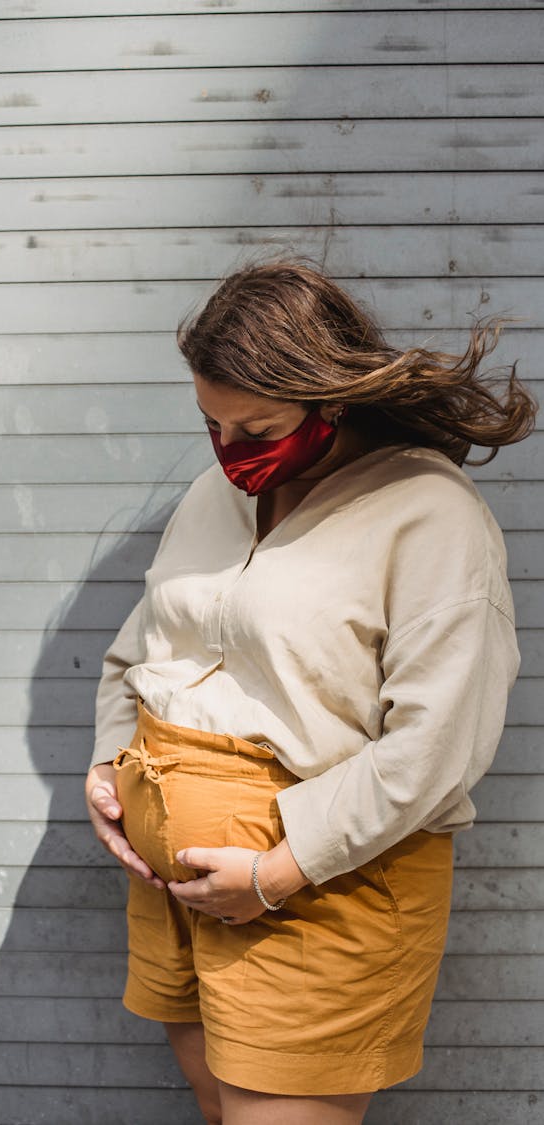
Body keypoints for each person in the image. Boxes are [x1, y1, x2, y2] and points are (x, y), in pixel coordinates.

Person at [84, 261, 536, 1125]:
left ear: (329, 397)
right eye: (211, 422)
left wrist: (276, 871)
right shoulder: (213, 494)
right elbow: (141, 646)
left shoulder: (428, 512)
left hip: (315, 891)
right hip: (174, 892)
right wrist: (110, 764)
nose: (229, 449)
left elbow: (438, 744)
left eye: (255, 425)